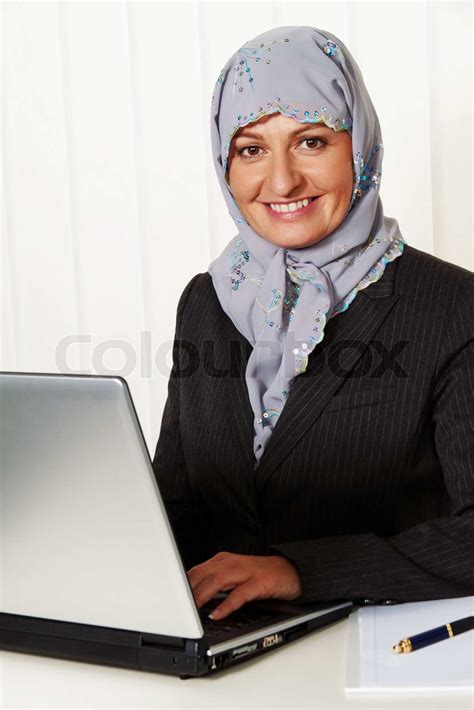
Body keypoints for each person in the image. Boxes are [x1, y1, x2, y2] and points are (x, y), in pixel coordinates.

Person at [152, 26, 474, 622]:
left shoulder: (453, 307)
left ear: (359, 147)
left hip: (375, 656)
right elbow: (175, 503)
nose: (280, 182)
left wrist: (301, 571)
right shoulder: (206, 301)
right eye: (251, 149)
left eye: (311, 141)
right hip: (221, 650)